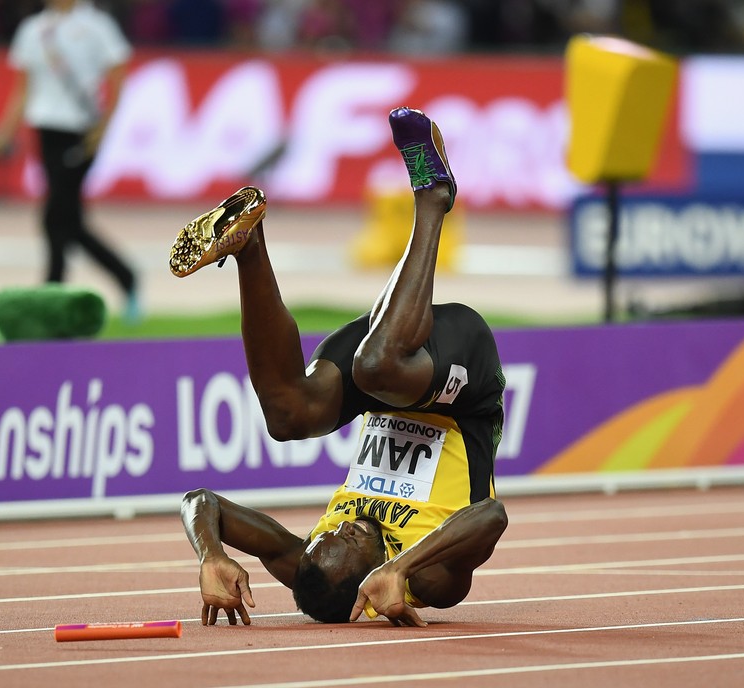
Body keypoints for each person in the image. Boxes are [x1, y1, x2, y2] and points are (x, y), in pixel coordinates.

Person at [175, 106, 508, 626]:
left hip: (389, 370)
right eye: (349, 538)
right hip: (458, 387)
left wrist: (211, 553)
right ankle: (433, 199)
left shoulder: (312, 558)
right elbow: (492, 515)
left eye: (327, 532)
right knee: (377, 365)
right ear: (365, 583)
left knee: (288, 416)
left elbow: (202, 500)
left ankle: (249, 246)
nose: (343, 525)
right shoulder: (431, 580)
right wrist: (403, 564)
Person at [0, 0, 140, 323]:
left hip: (80, 131)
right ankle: (125, 277)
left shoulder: (97, 25)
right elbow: (22, 90)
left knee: (56, 214)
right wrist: (2, 136)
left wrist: (103, 127)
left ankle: (52, 291)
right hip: (45, 130)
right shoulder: (32, 29)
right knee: (68, 218)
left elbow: (118, 77)